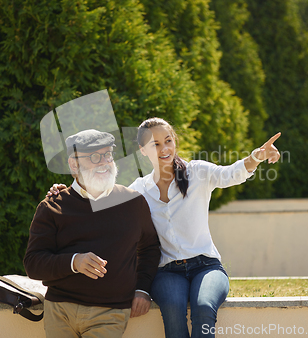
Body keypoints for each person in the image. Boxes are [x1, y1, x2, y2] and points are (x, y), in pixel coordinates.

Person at [48, 119, 281, 338]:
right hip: (167, 271)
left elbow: (232, 173)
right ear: (143, 150)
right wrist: (66, 190)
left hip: (206, 266)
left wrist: (256, 156)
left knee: (203, 307)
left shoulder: (197, 173)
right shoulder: (138, 190)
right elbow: (102, 201)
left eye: (168, 140)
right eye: (155, 144)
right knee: (173, 312)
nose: (164, 148)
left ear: (175, 142)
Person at [25, 129, 160, 338]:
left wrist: (142, 289)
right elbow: (33, 264)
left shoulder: (133, 202)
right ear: (74, 164)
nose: (104, 162)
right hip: (59, 310)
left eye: (108, 155)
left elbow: (150, 248)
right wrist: (74, 262)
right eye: (95, 157)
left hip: (110, 311)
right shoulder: (52, 206)